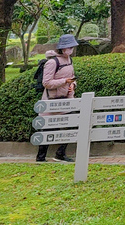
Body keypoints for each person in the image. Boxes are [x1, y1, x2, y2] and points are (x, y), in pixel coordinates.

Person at [35, 33, 79, 163]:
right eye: (69, 47)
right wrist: (65, 81)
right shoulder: (52, 62)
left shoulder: (69, 60)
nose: (71, 50)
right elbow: (47, 83)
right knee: (48, 128)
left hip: (66, 100)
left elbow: (72, 77)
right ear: (62, 48)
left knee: (70, 126)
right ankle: (40, 157)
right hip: (51, 101)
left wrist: (72, 85)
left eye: (72, 47)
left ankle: (60, 154)